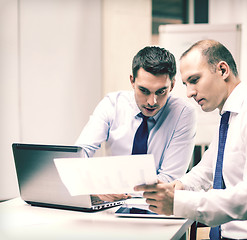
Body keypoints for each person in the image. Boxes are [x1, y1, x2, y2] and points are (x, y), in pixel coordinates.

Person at [135, 39, 247, 239]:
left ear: (223, 70)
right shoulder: (229, 117)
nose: (189, 92)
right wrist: (178, 187)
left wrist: (178, 202)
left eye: (194, 80)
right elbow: (207, 170)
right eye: (185, 84)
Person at [75, 46, 196, 201]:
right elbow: (80, 153)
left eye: (161, 92)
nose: (152, 102)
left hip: (157, 208)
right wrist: (94, 186)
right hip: (112, 206)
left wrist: (119, 190)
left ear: (172, 85)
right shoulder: (112, 104)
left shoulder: (183, 114)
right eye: (144, 91)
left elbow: (169, 179)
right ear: (132, 81)